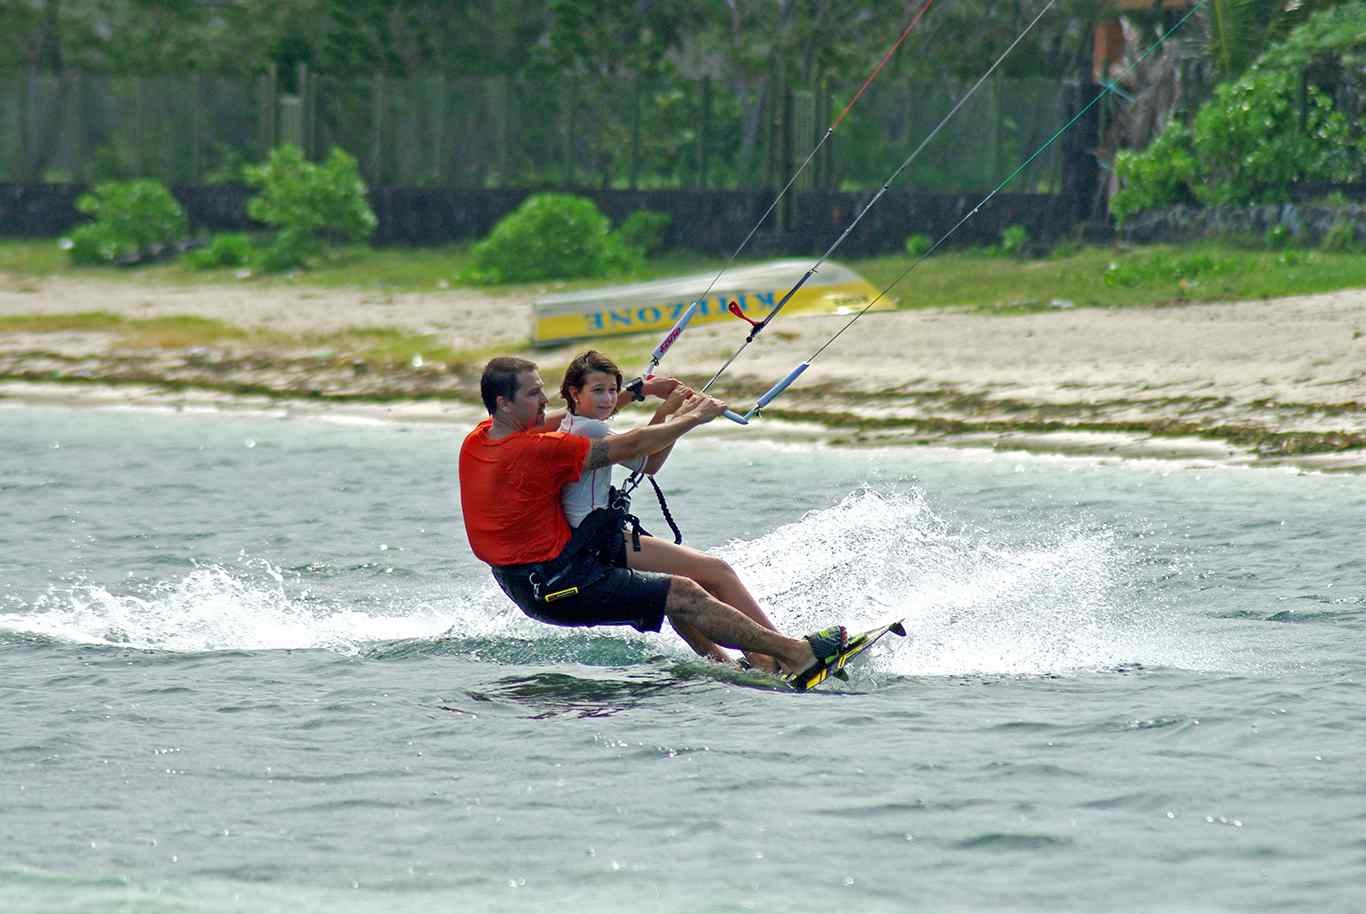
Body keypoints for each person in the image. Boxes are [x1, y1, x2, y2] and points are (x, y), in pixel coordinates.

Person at [458, 356, 849, 688]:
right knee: (684, 593)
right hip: (558, 581)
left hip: (547, 572)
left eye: (543, 389)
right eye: (532, 394)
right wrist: (694, 416)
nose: (544, 400)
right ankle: (795, 654)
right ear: (503, 403)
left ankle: (739, 669)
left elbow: (573, 418)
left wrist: (634, 393)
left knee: (673, 592)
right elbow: (633, 448)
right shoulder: (536, 451)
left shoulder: (481, 437)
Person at [557, 350, 782, 671]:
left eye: (611, 390)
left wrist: (666, 407)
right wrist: (683, 415)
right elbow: (650, 462)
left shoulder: (571, 423)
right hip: (600, 539)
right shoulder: (591, 430)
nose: (608, 399)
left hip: (586, 538)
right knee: (718, 571)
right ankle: (782, 654)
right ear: (573, 392)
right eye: (597, 391)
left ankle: (728, 665)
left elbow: (644, 450)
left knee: (679, 592)